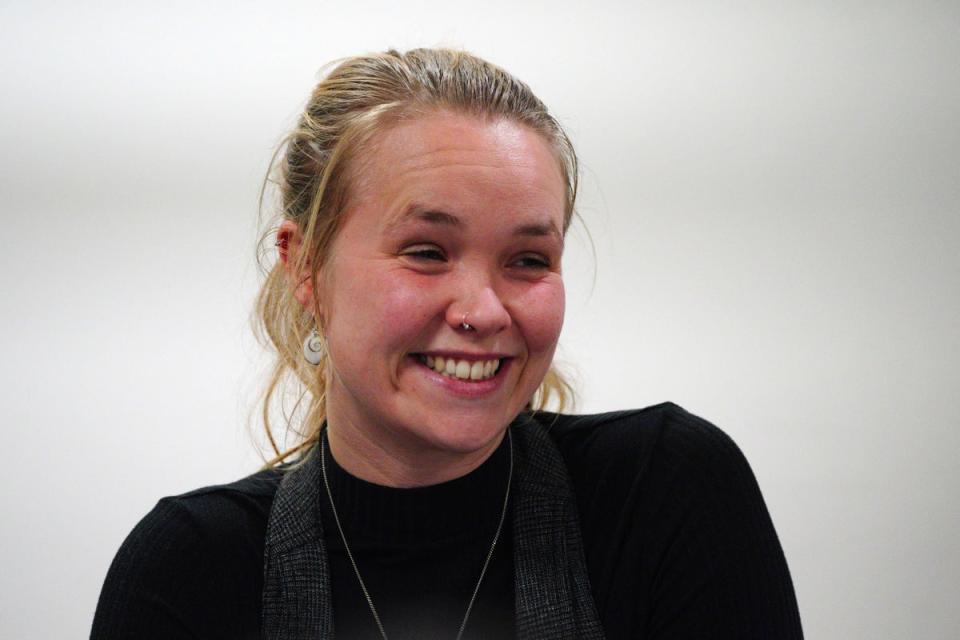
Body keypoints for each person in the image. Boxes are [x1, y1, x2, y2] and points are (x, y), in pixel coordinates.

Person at [91, 48, 803, 640]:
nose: (484, 311)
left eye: (527, 260)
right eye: (428, 251)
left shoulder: (662, 494)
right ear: (303, 265)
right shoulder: (190, 571)